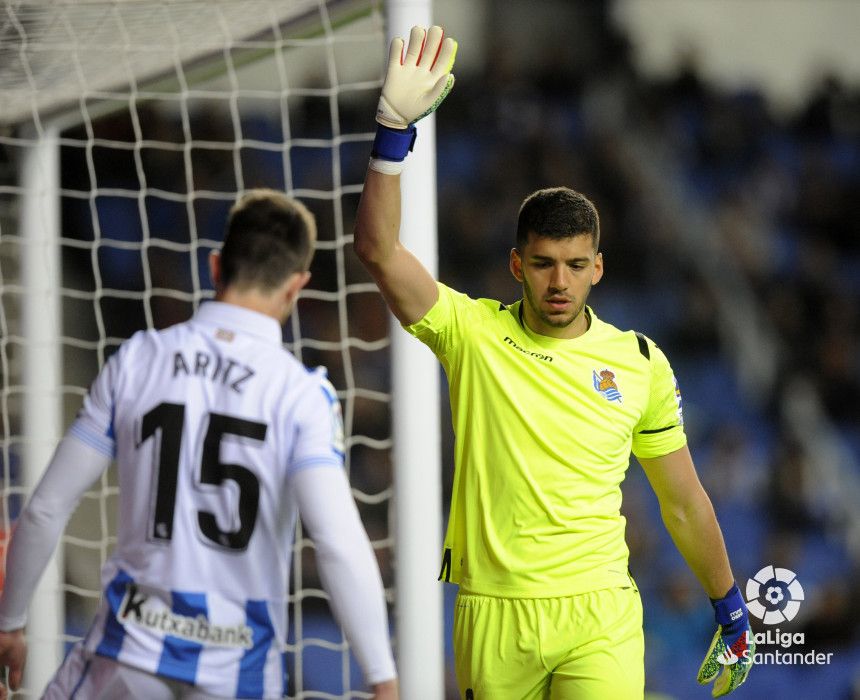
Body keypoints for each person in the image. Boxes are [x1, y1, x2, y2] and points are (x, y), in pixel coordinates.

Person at [353, 25, 753, 699]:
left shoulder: (639, 362)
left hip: (599, 612)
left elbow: (683, 501)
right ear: (517, 265)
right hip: (492, 613)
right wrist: (393, 130)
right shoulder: (471, 332)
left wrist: (730, 605)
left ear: (598, 268)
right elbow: (378, 251)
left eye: (574, 266)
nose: (559, 282)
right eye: (542, 265)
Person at [0, 189, 398, 700]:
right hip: (239, 668)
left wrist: (10, 623)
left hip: (128, 652)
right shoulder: (302, 394)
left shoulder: (139, 359)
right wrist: (383, 677)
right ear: (297, 286)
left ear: (215, 267)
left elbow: (46, 508)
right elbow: (337, 543)